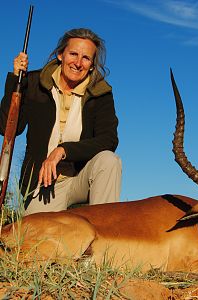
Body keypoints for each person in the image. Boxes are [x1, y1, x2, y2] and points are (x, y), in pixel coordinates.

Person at [0, 28, 122, 215]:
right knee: (35, 239)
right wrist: (15, 80)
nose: (78, 63)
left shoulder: (101, 93)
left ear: (91, 65)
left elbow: (109, 140)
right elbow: (7, 127)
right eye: (73, 54)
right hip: (45, 183)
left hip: (81, 178)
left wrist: (63, 151)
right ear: (60, 55)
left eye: (86, 58)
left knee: (109, 161)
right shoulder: (34, 82)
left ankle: (105, 234)